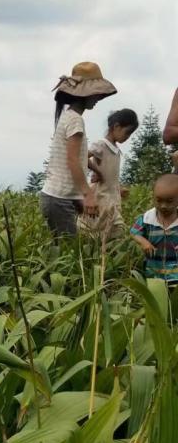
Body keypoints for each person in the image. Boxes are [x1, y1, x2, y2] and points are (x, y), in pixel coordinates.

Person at [40, 61, 117, 236]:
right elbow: (72, 160)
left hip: (58, 198)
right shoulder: (75, 120)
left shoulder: (69, 117)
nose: (98, 98)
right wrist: (88, 194)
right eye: (97, 94)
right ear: (86, 94)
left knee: (67, 250)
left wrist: (97, 170)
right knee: (70, 254)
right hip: (59, 200)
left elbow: (78, 159)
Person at [78, 108, 139, 241]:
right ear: (116, 126)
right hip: (101, 197)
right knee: (96, 231)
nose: (127, 137)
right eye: (127, 133)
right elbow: (82, 157)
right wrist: (97, 171)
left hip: (112, 197)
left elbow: (112, 175)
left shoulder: (115, 149)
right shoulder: (102, 145)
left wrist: (118, 188)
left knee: (110, 231)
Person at [130, 173, 178, 282]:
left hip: (176, 270)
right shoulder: (147, 218)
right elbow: (134, 232)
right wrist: (144, 242)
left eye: (169, 201)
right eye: (159, 200)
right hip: (153, 268)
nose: (163, 205)